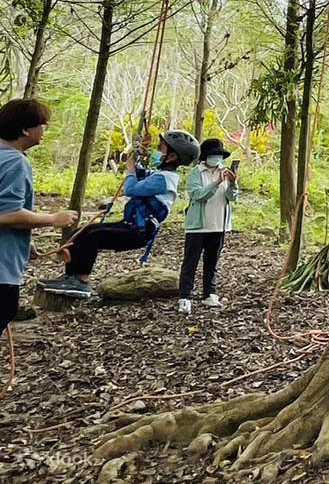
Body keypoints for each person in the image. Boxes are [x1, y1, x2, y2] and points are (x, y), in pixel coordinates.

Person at [40, 129, 200, 297]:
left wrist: (131, 170)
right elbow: (141, 176)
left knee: (92, 237)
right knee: (82, 233)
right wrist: (137, 156)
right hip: (131, 226)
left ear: (173, 157)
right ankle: (71, 276)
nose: (157, 151)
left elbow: (130, 189)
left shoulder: (164, 180)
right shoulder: (161, 175)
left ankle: (81, 281)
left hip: (139, 231)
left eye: (161, 148)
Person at [0, 99, 79, 338]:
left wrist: (25, 239)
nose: (45, 131)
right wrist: (53, 218)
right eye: (44, 125)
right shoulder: (15, 161)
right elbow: (6, 213)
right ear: (26, 129)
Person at [178, 138, 239, 315]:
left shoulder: (225, 173)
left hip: (219, 225)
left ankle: (210, 293)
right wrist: (216, 183)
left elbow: (232, 197)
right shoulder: (195, 174)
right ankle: (185, 297)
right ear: (205, 157)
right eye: (213, 155)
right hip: (198, 227)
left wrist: (233, 184)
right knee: (191, 262)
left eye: (219, 155)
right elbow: (198, 195)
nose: (217, 158)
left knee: (212, 262)